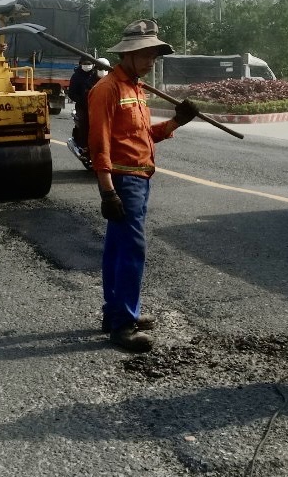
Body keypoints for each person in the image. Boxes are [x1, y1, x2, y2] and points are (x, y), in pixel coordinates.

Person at [87, 19, 199, 353]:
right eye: (146, 53)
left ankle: (116, 312)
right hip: (123, 181)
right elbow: (100, 145)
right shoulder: (106, 90)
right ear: (129, 55)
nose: (151, 60)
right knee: (132, 250)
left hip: (139, 177)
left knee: (117, 249)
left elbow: (143, 137)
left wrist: (177, 121)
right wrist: (107, 191)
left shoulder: (136, 89)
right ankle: (123, 325)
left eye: (154, 54)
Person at [67, 57, 101, 160]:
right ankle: (85, 146)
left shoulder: (96, 75)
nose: (88, 65)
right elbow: (72, 93)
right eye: (85, 63)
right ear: (81, 64)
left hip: (99, 105)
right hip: (83, 106)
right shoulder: (76, 76)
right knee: (85, 122)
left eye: (89, 63)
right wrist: (83, 100)